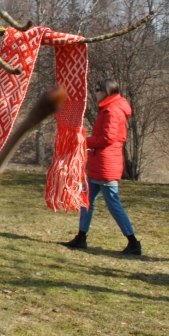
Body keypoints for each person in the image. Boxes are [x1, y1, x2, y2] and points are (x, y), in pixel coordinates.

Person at [64, 78, 142, 255]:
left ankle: (133, 243)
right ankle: (81, 237)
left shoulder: (112, 110)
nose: (96, 92)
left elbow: (108, 138)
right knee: (85, 200)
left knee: (114, 205)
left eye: (98, 89)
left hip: (106, 165)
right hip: (99, 163)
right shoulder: (108, 108)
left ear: (106, 91)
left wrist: (84, 141)